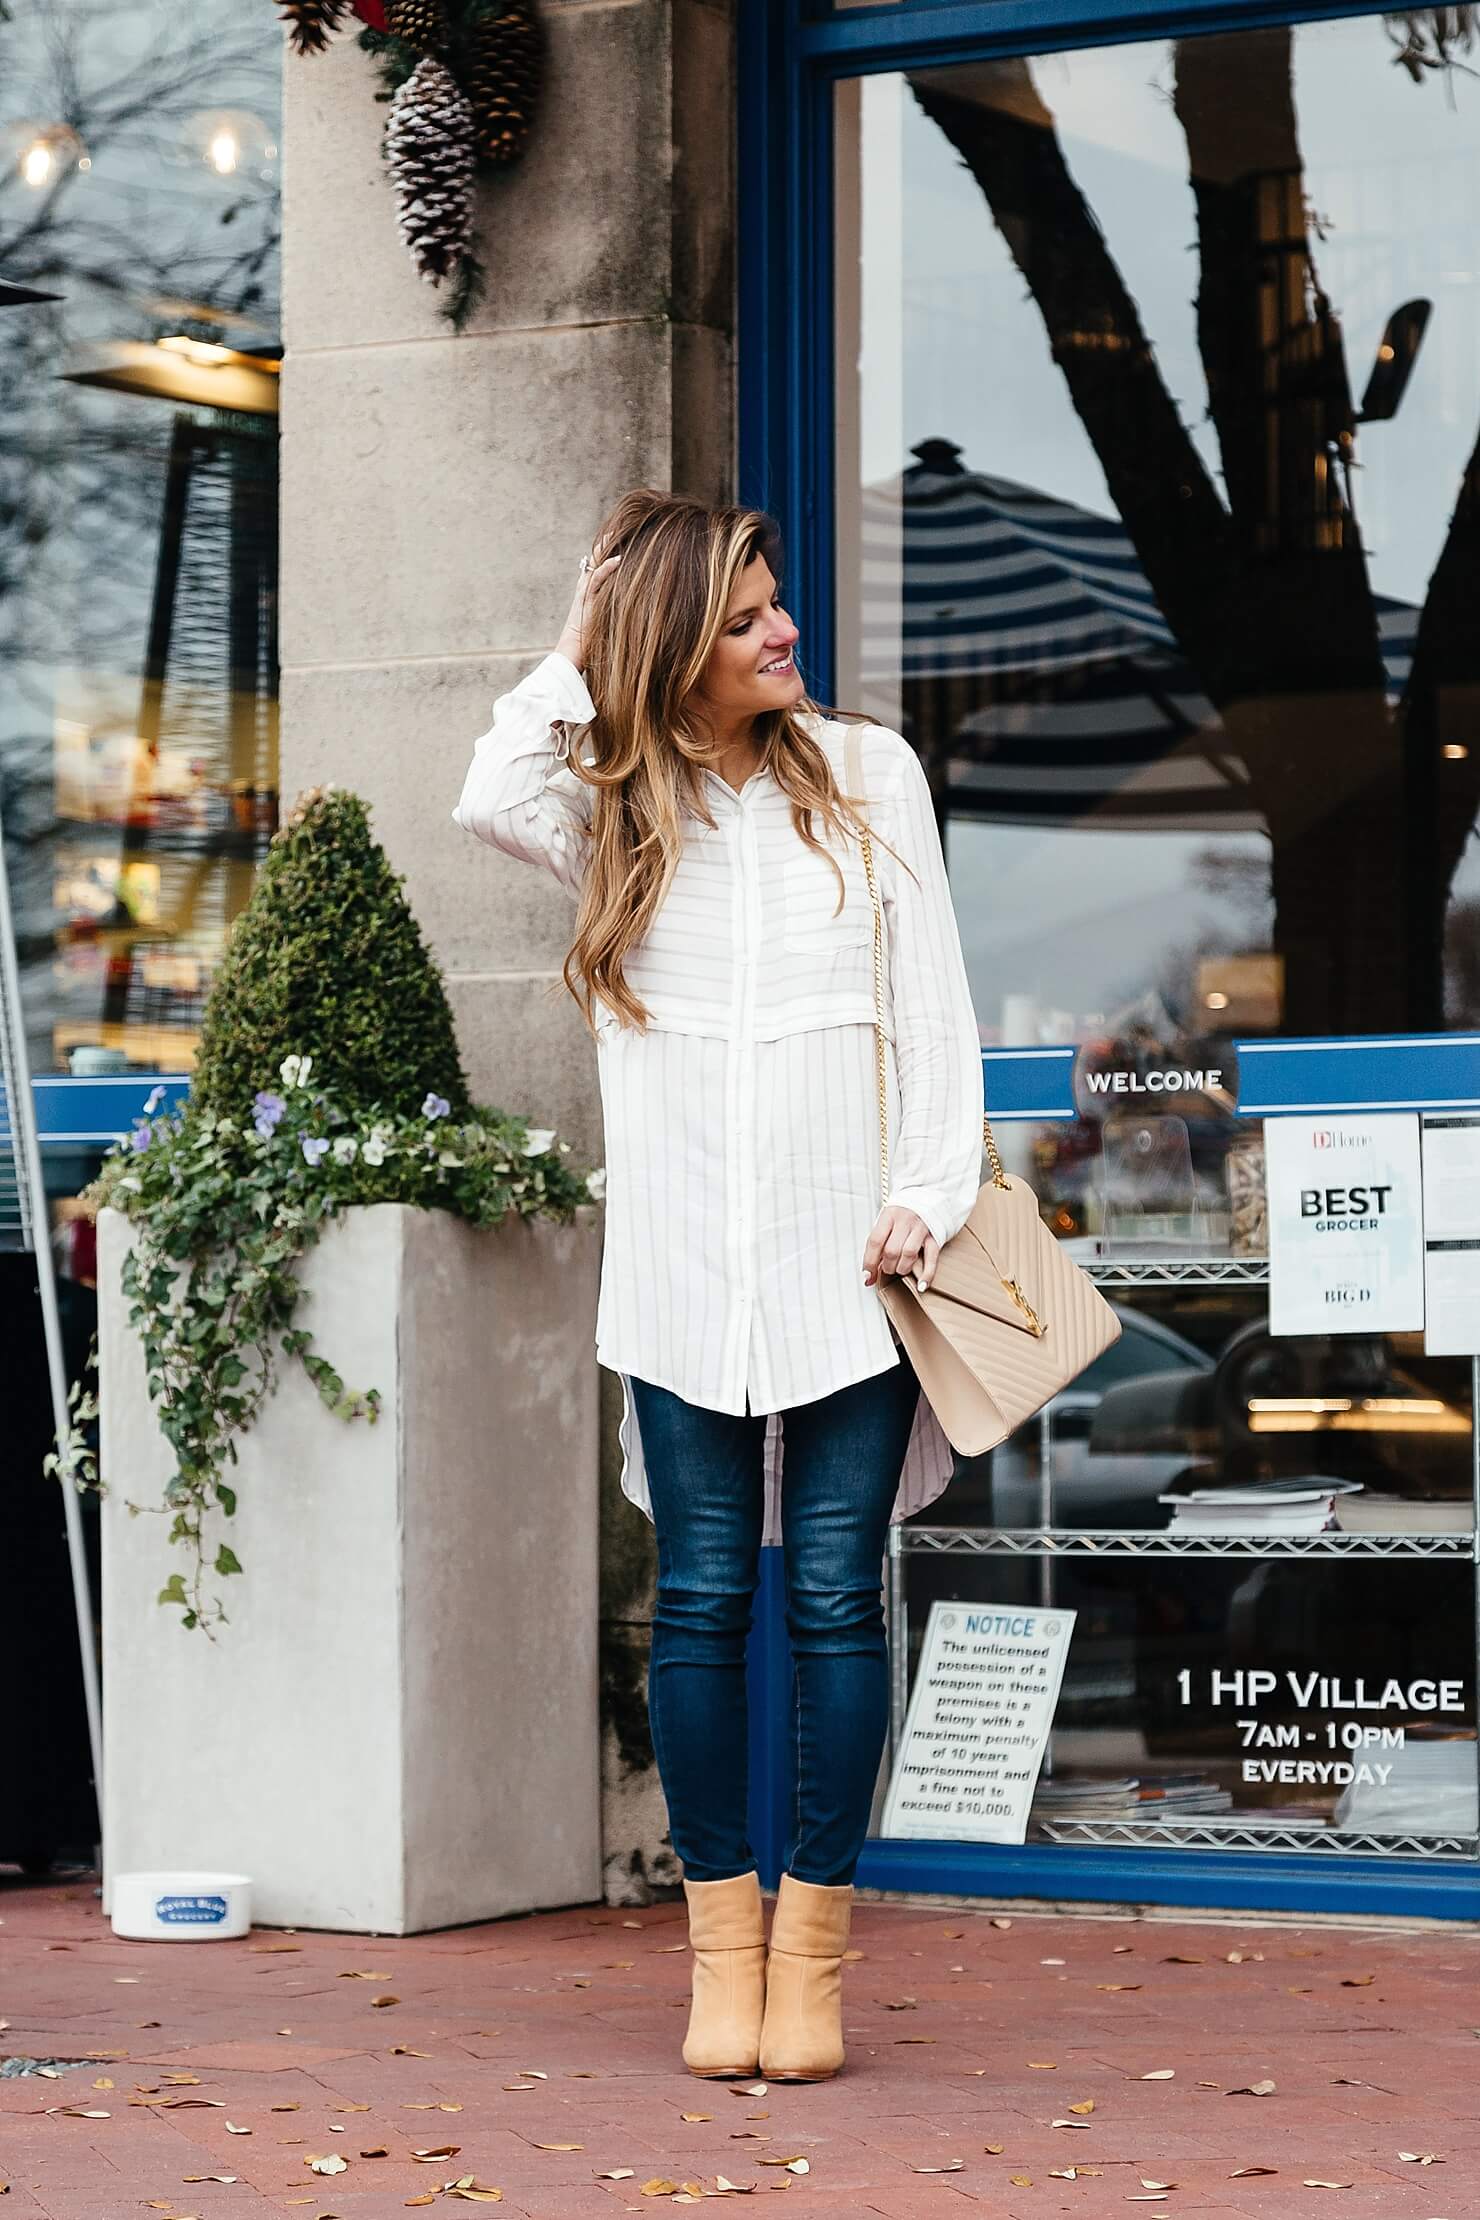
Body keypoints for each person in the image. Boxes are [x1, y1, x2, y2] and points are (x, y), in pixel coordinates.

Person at [451, 491, 983, 2082]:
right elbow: (488, 788)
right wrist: (580, 626)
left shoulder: (872, 775)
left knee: (833, 1604)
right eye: (751, 612)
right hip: (685, 1270)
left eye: (779, 605)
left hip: (850, 1268)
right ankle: (721, 1954)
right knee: (698, 1604)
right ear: (679, 639)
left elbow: (935, 1003)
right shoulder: (615, 802)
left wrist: (924, 1194)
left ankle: (812, 1957)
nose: (786, 629)